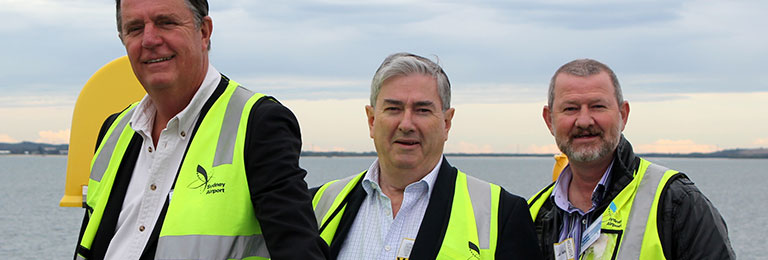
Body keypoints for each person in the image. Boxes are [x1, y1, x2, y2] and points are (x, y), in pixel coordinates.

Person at [73, 0, 328, 259]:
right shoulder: (114, 130)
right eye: (135, 28)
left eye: (166, 22)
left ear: (204, 32)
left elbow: (300, 250)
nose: (149, 40)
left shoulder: (258, 123)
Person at [311, 52, 542, 259]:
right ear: (371, 120)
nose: (406, 124)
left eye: (422, 110)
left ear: (446, 123)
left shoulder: (501, 214)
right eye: (393, 109)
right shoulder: (317, 205)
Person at [528, 59, 735, 259]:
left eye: (598, 106)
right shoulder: (533, 215)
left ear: (623, 115)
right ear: (549, 120)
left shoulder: (675, 202)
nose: (584, 121)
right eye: (570, 108)